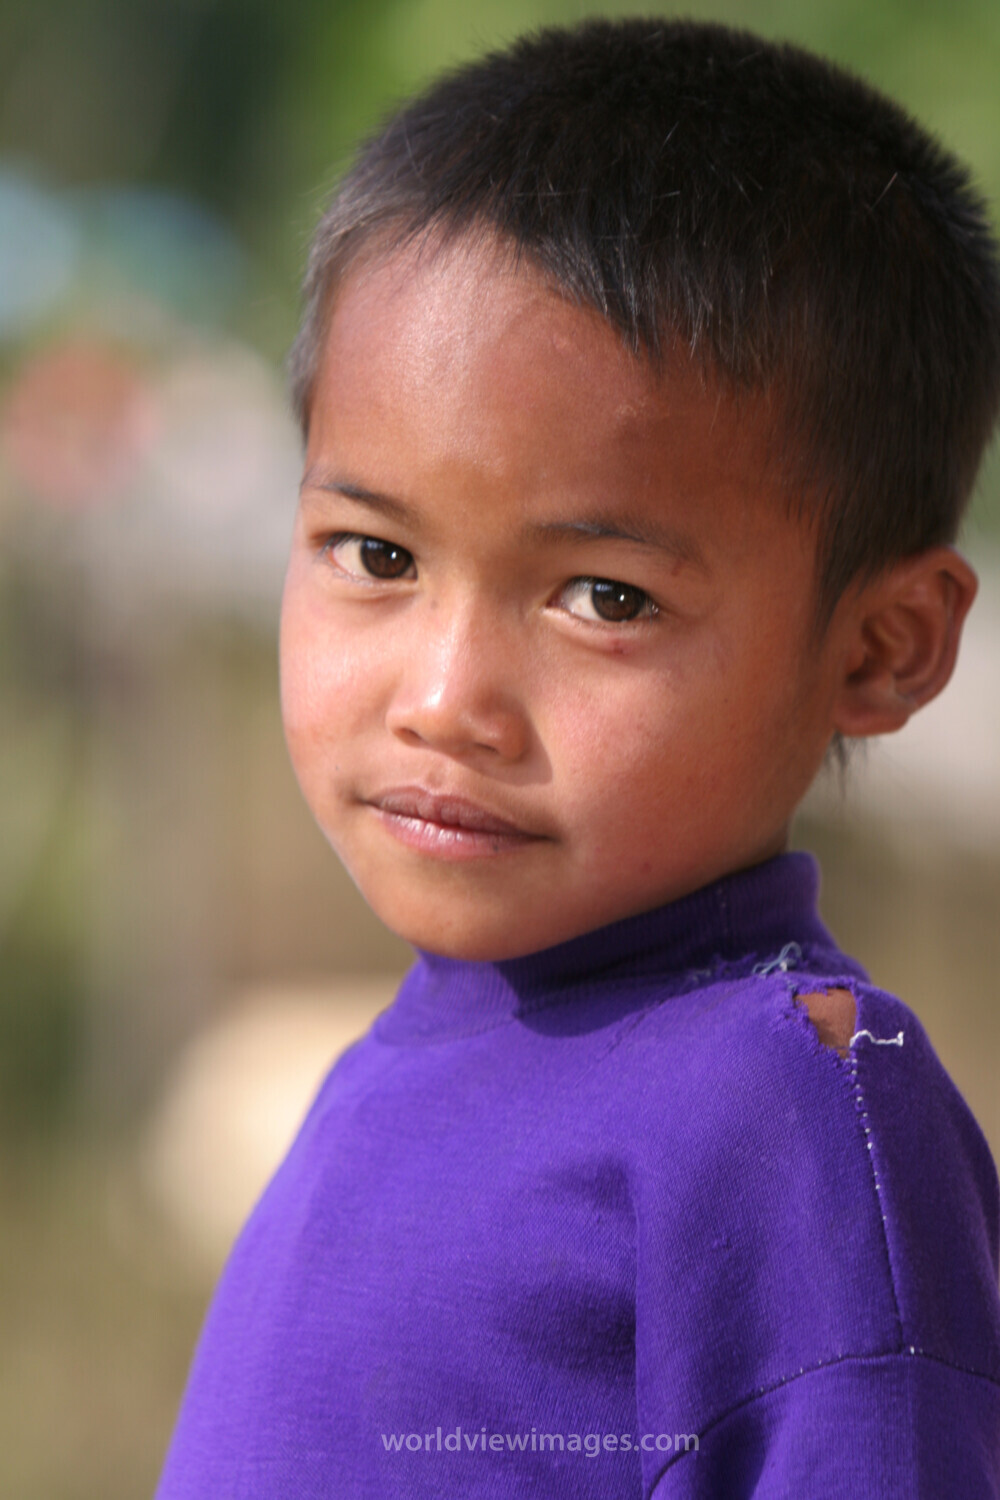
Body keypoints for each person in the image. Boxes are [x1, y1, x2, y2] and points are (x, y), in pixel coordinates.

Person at [156, 19, 1000, 1497]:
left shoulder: (791, 1122)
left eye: (606, 598)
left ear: (880, 649)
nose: (445, 697)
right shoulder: (423, 1048)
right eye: (375, 552)